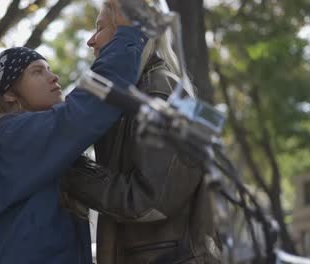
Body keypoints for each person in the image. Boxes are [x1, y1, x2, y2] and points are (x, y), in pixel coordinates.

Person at [0, 4, 146, 263]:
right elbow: (85, 111)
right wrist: (128, 34)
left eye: (48, 69)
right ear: (9, 94)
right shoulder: (6, 136)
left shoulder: (21, 139)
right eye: (37, 71)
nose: (54, 77)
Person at [62, 2, 222, 263]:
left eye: (100, 28)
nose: (91, 41)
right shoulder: (139, 92)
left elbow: (148, 201)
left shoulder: (158, 91)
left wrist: (69, 169)